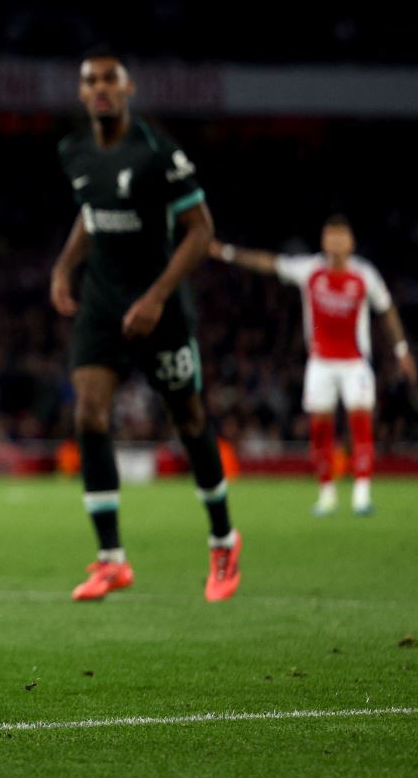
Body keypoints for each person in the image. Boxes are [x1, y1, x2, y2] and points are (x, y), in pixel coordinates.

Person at [49, 49, 239, 603]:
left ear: (128, 89)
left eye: (111, 79)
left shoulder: (158, 152)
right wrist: (65, 266)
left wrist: (158, 297)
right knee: (88, 412)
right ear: (82, 93)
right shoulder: (74, 150)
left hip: (161, 305)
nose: (101, 88)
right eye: (91, 81)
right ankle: (111, 560)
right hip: (102, 304)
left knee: (190, 418)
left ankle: (224, 539)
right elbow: (92, 212)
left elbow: (201, 231)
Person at [210, 216, 415, 515]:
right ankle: (327, 493)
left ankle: (361, 494)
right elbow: (269, 263)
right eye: (330, 237)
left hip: (355, 363)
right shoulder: (311, 270)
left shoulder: (365, 275)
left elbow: (386, 309)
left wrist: (401, 349)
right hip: (320, 364)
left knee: (361, 426)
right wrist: (226, 252)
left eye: (340, 238)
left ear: (351, 243)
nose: (335, 243)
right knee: (320, 431)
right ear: (323, 242)